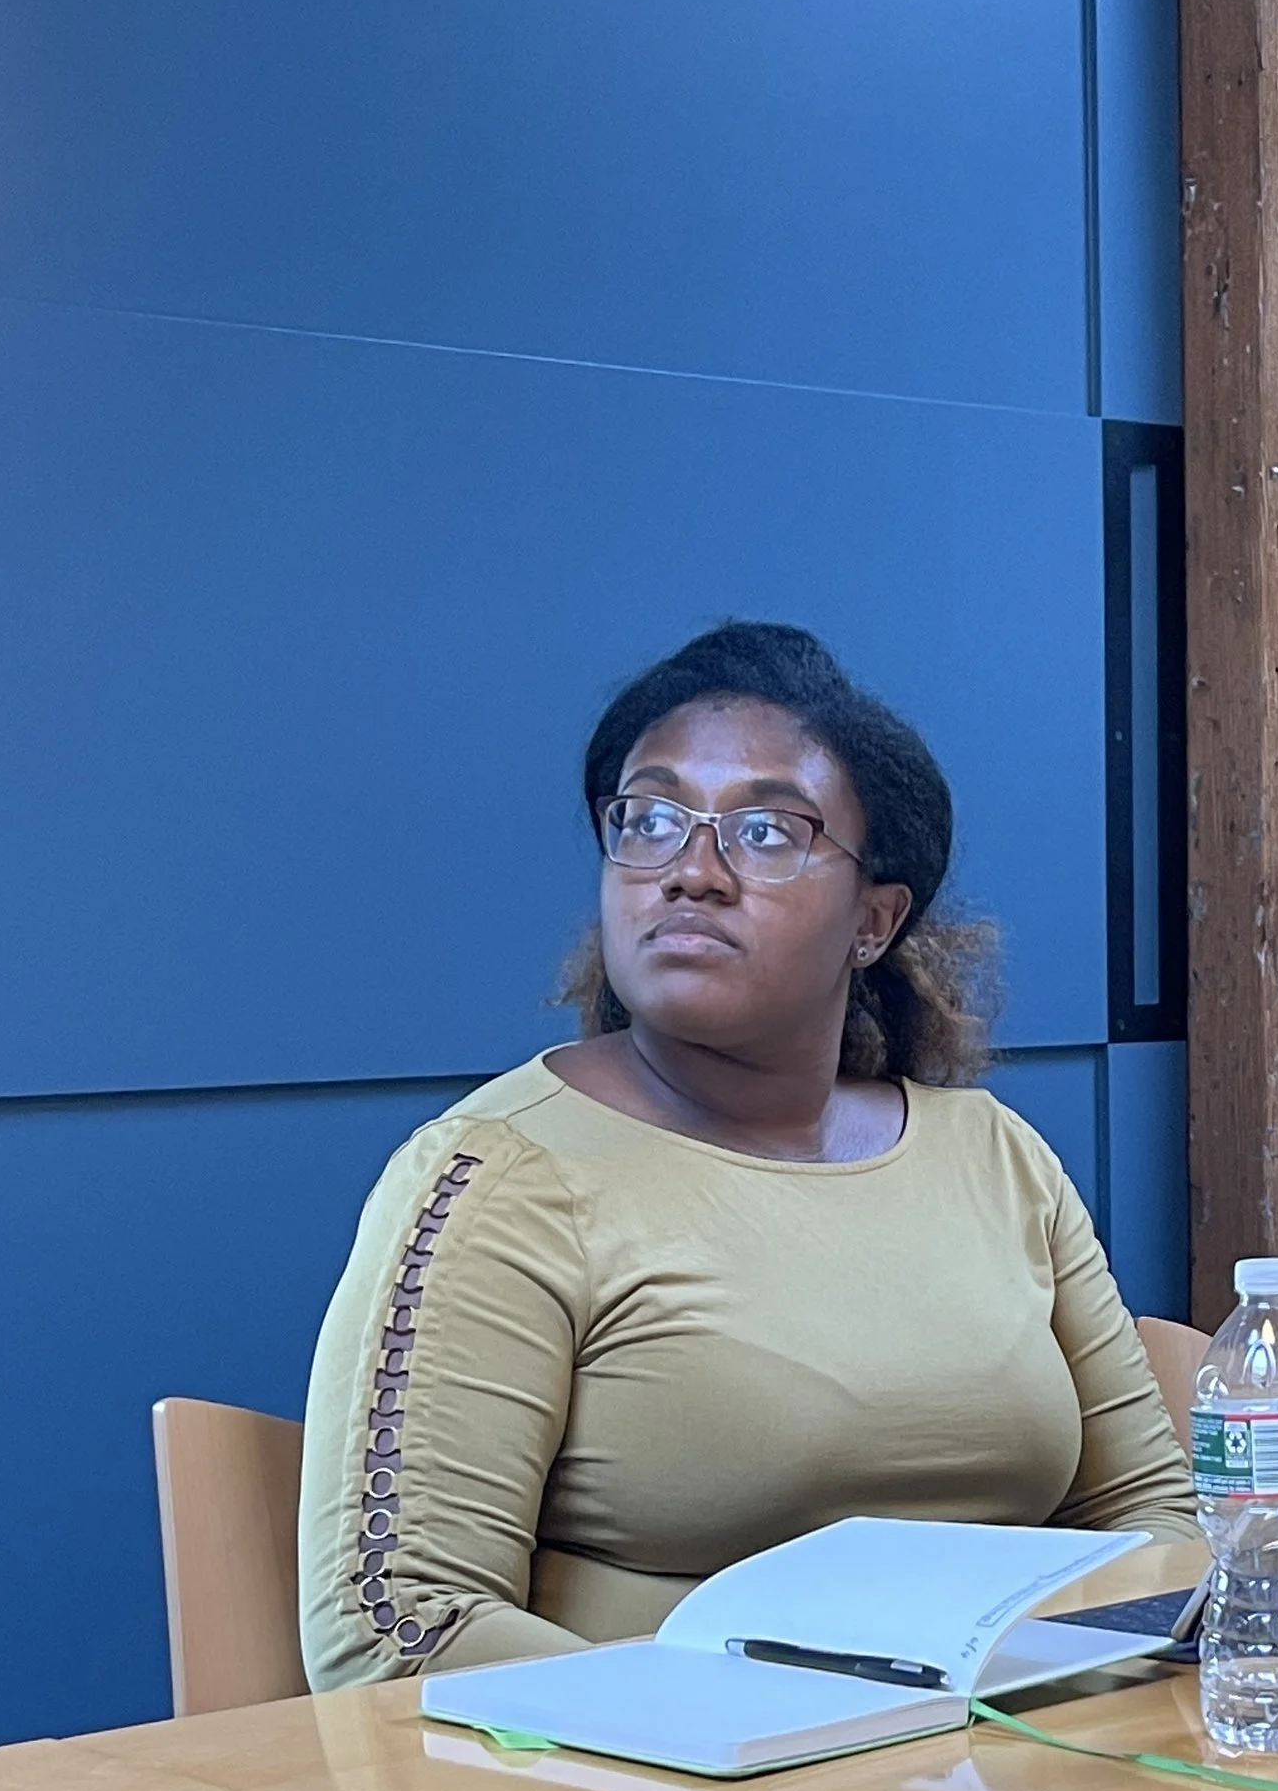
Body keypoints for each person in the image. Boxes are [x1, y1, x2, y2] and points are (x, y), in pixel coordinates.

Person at [299, 622, 1194, 1683]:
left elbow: (1151, 1520)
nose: (692, 872)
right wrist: (811, 1738)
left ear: (875, 919)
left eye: (765, 832)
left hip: (1031, 1776)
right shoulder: (498, 1176)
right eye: (651, 819)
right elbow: (401, 1626)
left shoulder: (993, 1155)